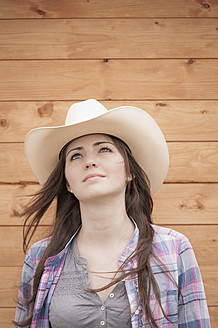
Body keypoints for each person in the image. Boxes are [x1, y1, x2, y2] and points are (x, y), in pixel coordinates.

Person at [14, 99, 211, 328]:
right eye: (76, 155)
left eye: (104, 149)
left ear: (130, 171)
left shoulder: (175, 249)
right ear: (67, 183)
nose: (90, 161)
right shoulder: (39, 258)